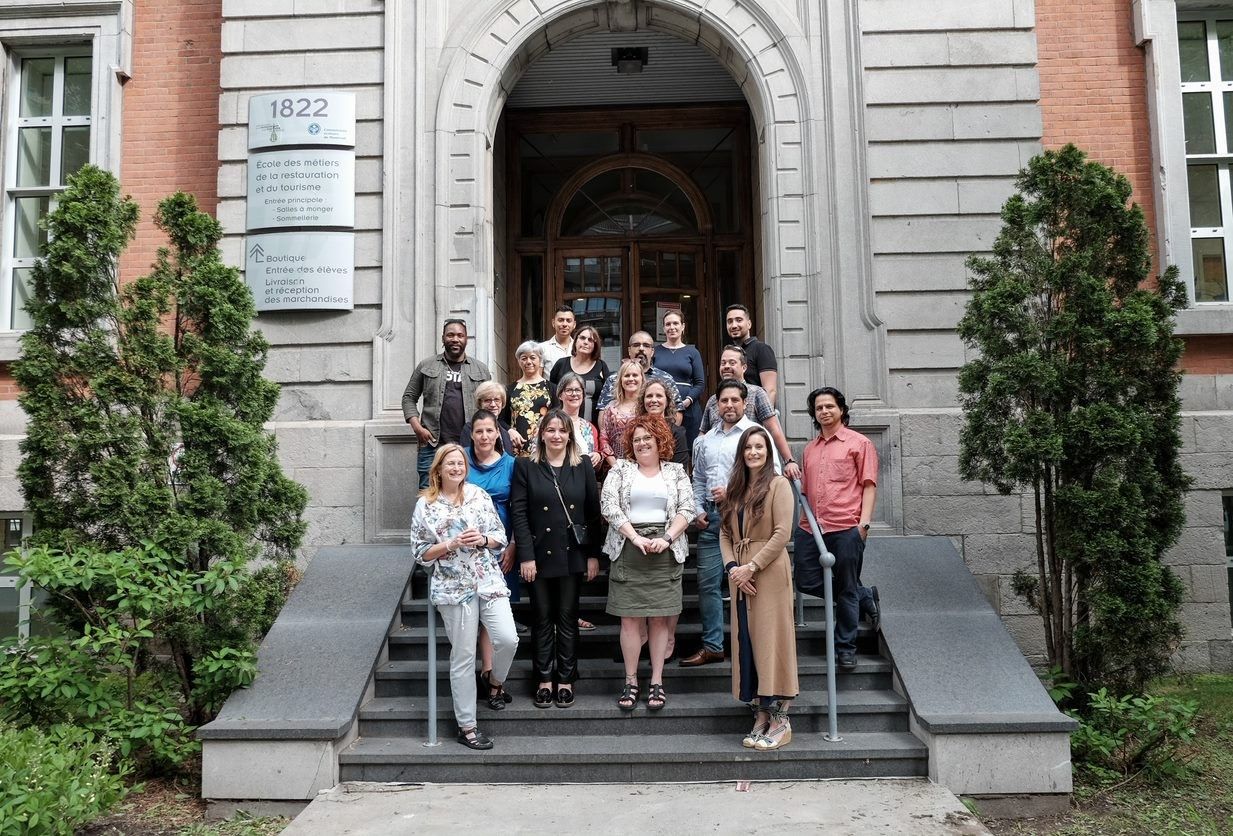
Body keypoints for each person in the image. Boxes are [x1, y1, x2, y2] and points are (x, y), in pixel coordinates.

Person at [409, 444, 516, 750]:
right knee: (464, 656)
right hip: (454, 588)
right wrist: (449, 544)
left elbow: (499, 536)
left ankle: (494, 682)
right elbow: (420, 552)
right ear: (438, 469)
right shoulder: (425, 505)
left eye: (460, 463)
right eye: (450, 463)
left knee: (508, 638)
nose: (456, 468)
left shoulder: (478, 496)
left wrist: (482, 539)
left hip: (488, 580)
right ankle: (467, 726)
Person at [681, 379, 780, 668]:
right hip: (713, 519)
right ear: (716, 404)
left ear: (744, 402)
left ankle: (752, 645)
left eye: (735, 400)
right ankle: (713, 645)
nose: (729, 405)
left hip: (749, 519)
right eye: (724, 401)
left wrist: (735, 491)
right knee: (708, 583)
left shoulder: (757, 434)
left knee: (751, 582)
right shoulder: (705, 440)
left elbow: (771, 477)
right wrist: (697, 508)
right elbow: (698, 479)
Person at [601, 415, 695, 712]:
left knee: (659, 619)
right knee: (629, 619)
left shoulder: (676, 471)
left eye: (647, 438)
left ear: (659, 441)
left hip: (665, 550)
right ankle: (630, 681)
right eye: (636, 439)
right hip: (629, 549)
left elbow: (688, 508)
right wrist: (634, 537)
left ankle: (656, 680)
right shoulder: (621, 470)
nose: (641, 443)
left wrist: (667, 537)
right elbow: (608, 505)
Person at [511, 410, 601, 709]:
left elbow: (592, 513)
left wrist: (592, 555)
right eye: (550, 430)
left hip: (572, 555)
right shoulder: (526, 466)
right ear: (542, 434)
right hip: (538, 555)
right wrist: (525, 556)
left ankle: (565, 679)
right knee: (541, 619)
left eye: (562, 430)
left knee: (566, 619)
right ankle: (544, 679)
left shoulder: (583, 465)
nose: (556, 436)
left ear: (570, 435)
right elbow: (520, 514)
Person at [721, 425, 799, 750]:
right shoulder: (736, 489)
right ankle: (760, 714)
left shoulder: (779, 485)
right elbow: (724, 533)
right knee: (748, 644)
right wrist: (733, 569)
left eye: (760, 447)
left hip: (768, 571)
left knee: (772, 639)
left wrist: (752, 566)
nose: (754, 452)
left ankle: (781, 720)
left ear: (768, 452)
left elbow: (782, 533)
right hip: (740, 574)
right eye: (748, 447)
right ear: (741, 453)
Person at [793, 386, 880, 671]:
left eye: (829, 406)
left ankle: (845, 647)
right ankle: (862, 594)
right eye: (819, 408)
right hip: (811, 528)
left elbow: (869, 485)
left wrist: (863, 525)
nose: (824, 411)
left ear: (841, 410)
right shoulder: (809, 449)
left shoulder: (859, 443)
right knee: (804, 580)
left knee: (844, 591)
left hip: (846, 526)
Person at [465, 409, 524, 684]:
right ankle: (477, 669)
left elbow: (520, 508)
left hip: (502, 542)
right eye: (479, 431)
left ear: (498, 433)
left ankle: (490, 672)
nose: (485, 436)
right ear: (472, 434)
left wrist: (513, 545)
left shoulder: (512, 464)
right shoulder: (461, 460)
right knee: (472, 608)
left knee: (495, 607)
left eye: (490, 430)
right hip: (466, 545)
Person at [402, 319, 492, 489]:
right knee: (429, 494)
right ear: (443, 338)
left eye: (460, 335)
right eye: (450, 335)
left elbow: (491, 405)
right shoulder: (426, 365)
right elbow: (408, 397)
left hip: (469, 445)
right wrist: (417, 427)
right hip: (432, 444)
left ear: (466, 339)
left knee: (466, 494)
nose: (455, 339)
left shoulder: (481, 369)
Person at [699, 346, 801, 481]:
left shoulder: (757, 393)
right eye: (723, 363)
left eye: (732, 362)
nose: (726, 366)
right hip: (719, 475)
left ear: (744, 368)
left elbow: (773, 428)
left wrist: (789, 461)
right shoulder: (713, 400)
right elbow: (703, 434)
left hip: (749, 472)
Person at [653, 310, 705, 447]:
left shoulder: (692, 352)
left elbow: (700, 383)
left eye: (676, 323)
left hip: (689, 407)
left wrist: (687, 401)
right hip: (661, 407)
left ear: (683, 326)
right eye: (668, 324)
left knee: (690, 447)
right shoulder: (655, 351)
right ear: (663, 328)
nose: (672, 327)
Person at [596, 331, 680, 412]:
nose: (641, 348)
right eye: (636, 345)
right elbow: (603, 413)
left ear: (652, 352)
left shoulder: (665, 379)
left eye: (646, 345)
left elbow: (677, 412)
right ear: (629, 350)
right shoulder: (613, 380)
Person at [549, 324, 609, 426]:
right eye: (582, 338)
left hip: (592, 427)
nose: (585, 342)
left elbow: (606, 399)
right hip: (562, 425)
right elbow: (552, 394)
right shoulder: (561, 364)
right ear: (575, 341)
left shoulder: (601, 366)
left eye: (590, 340)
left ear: (595, 345)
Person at [503, 341, 556, 458]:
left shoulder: (551, 388)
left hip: (544, 447)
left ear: (540, 360)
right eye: (524, 358)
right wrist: (509, 431)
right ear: (518, 361)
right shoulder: (510, 389)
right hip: (517, 448)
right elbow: (501, 420)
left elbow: (558, 416)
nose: (528, 362)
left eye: (533, 357)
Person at [724, 304, 778, 405]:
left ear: (749, 324)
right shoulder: (729, 353)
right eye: (730, 321)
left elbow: (770, 391)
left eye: (739, 320)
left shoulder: (762, 349)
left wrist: (764, 418)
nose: (734, 325)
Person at [599, 360, 644, 471]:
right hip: (615, 467)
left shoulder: (647, 407)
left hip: (643, 467)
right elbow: (604, 438)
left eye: (635, 375)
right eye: (627, 375)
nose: (631, 379)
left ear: (642, 378)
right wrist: (615, 466)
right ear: (621, 380)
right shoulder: (611, 408)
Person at [555, 371, 603, 470]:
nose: (574, 394)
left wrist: (598, 456)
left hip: (583, 481)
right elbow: (536, 452)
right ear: (560, 395)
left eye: (578, 390)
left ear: (583, 395)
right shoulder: (548, 422)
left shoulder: (589, 427)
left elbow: (596, 465)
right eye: (569, 390)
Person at [638, 378, 689, 470]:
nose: (653, 400)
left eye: (659, 396)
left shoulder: (677, 433)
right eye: (649, 396)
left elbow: (680, 470)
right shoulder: (635, 431)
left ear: (667, 402)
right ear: (643, 401)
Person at [460, 381, 515, 455]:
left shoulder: (505, 433)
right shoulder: (469, 428)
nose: (493, 404)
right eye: (487, 400)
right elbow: (467, 458)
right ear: (480, 403)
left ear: (502, 403)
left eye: (497, 400)